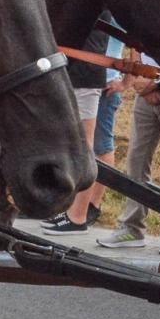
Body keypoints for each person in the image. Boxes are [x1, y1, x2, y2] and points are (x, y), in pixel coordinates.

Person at [97, 58, 160, 254]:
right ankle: (132, 228)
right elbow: (136, 50)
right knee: (136, 160)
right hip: (146, 89)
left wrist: (152, 84)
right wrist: (137, 82)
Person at [44, 28, 111, 235]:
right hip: (73, 73)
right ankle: (68, 209)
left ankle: (79, 215)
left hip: (86, 75)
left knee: (85, 143)